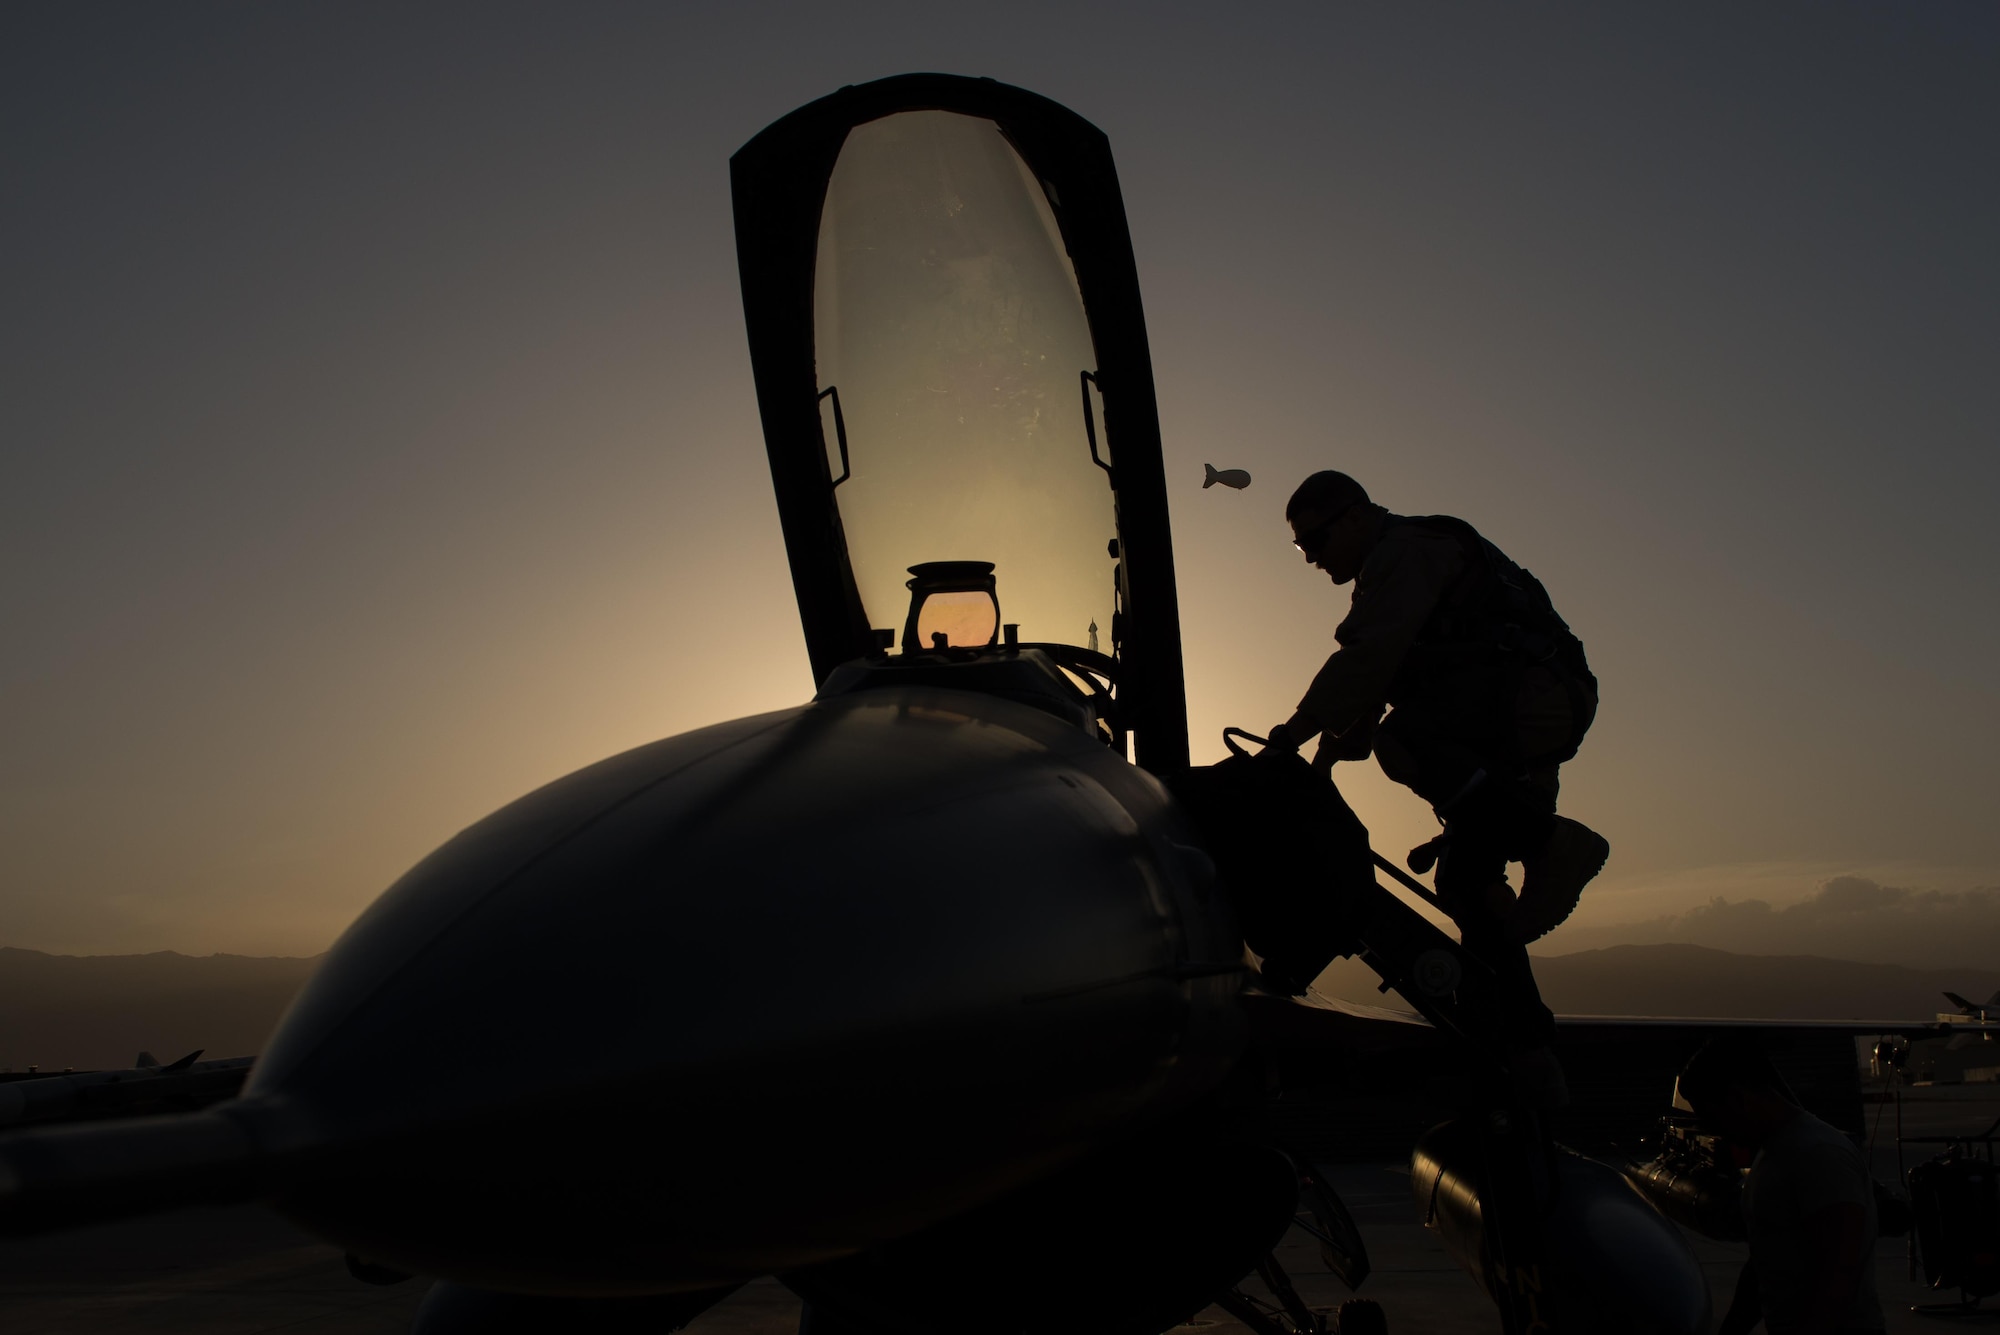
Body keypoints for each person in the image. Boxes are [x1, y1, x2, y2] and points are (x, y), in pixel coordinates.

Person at [1264, 470, 1608, 1074]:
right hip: (1512, 718)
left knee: (1408, 739)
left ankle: (1552, 846)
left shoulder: (1404, 553)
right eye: (1302, 550)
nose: (1312, 559)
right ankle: (1525, 1052)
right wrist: (1312, 770)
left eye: (1313, 542)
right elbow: (1365, 705)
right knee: (1468, 885)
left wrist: (1288, 737)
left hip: (1528, 698)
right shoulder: (1394, 575)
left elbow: (1366, 665)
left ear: (1352, 516)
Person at [1677, 1037, 1886, 1335]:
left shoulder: (1817, 1154)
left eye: (1713, 1117)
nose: (1715, 1130)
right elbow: (1768, 1259)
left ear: (1738, 1098)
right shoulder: (1775, 1155)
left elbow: (1839, 1274)